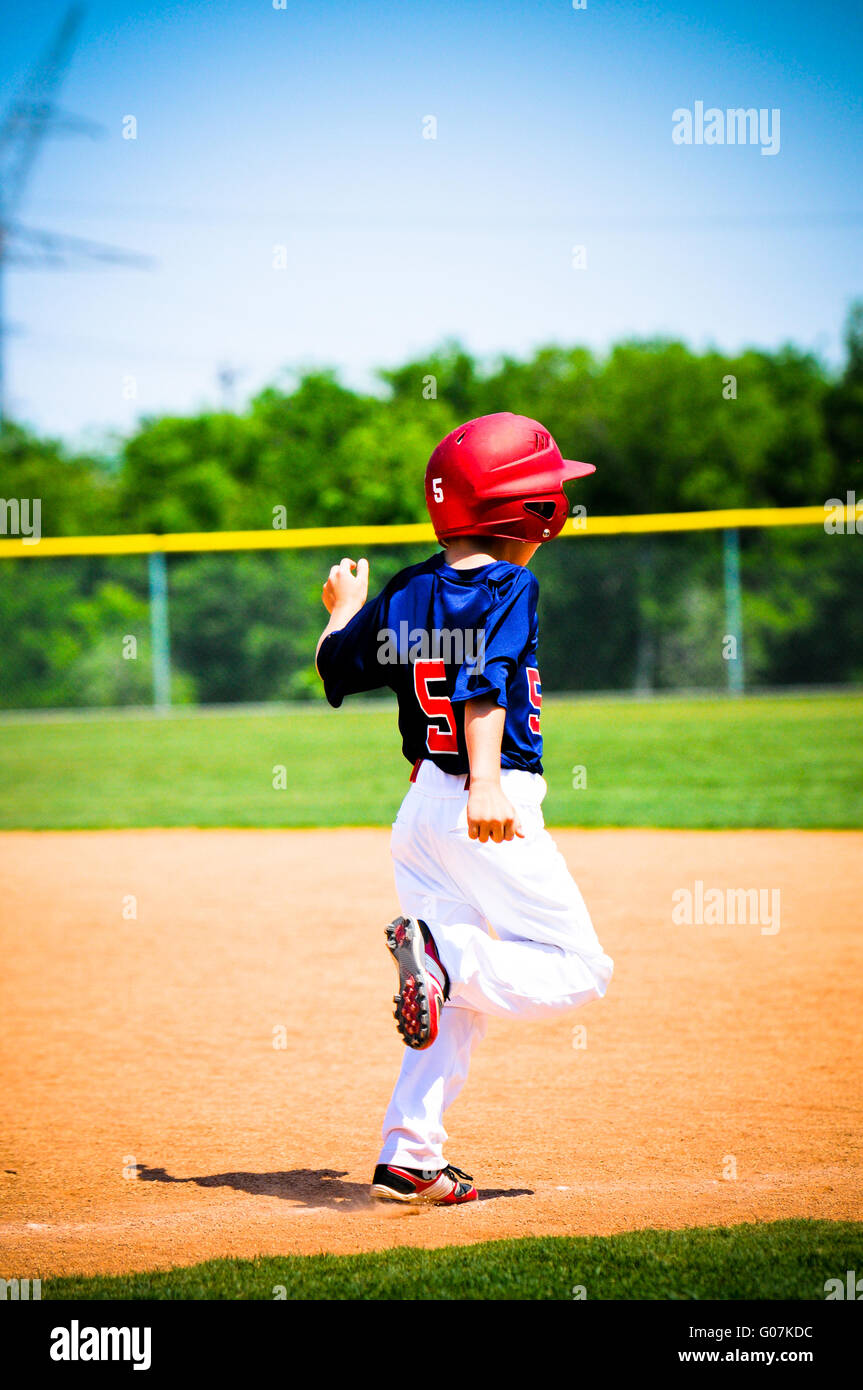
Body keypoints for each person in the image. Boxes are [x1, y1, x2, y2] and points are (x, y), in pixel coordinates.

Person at [315, 412, 614, 1205]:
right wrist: (484, 784)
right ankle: (446, 960)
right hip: (488, 802)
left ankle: (409, 1154)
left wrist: (341, 608)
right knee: (581, 970)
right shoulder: (512, 584)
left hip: (418, 817)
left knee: (449, 1003)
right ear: (530, 511)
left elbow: (336, 669)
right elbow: (485, 680)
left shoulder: (407, 588)